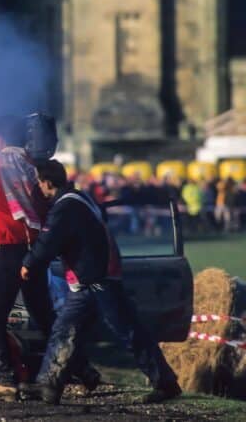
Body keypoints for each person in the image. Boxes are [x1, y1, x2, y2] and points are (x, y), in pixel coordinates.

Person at [19, 160, 181, 405]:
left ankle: (166, 383)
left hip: (96, 277)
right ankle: (49, 386)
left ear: (47, 182)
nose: (38, 188)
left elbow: (49, 240)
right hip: (91, 277)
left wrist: (28, 262)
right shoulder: (79, 198)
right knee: (64, 330)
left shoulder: (65, 207)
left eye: (39, 182)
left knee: (127, 330)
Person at [0, 115, 99, 401]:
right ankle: (84, 369)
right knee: (44, 316)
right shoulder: (35, 168)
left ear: (0, 140)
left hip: (7, 248)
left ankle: (5, 379)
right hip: (34, 249)